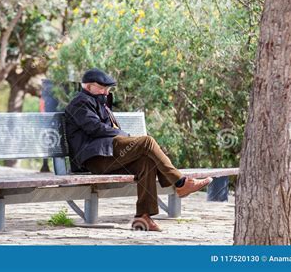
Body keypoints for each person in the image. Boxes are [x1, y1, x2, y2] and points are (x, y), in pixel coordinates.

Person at [64, 67, 213, 231]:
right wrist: (124, 136)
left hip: (107, 154)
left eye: (107, 88)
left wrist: (123, 137)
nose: (105, 92)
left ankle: (143, 217)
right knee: (147, 142)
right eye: (101, 88)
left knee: (146, 162)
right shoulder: (79, 102)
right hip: (95, 158)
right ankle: (181, 182)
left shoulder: (98, 101)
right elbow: (95, 128)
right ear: (88, 86)